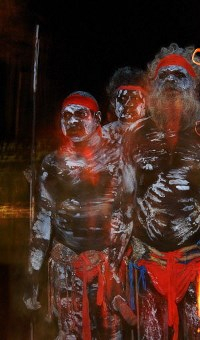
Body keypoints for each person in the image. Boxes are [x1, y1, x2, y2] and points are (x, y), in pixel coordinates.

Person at [118, 43, 200, 339]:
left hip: (198, 263)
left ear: (193, 84)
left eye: (178, 75)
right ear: (153, 86)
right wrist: (112, 259)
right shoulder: (134, 135)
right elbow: (124, 201)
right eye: (163, 76)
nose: (170, 82)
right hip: (147, 261)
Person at [23, 91, 132, 339]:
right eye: (66, 115)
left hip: (107, 265)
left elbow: (126, 215)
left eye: (80, 114)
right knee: (70, 333)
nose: (72, 121)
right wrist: (33, 273)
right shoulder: (52, 164)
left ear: (97, 118)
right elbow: (43, 221)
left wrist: (110, 262)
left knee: (112, 333)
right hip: (66, 267)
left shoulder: (118, 159)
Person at [103, 66, 147, 145]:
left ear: (145, 103)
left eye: (135, 98)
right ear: (114, 102)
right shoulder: (104, 135)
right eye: (123, 99)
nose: (128, 104)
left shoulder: (154, 134)